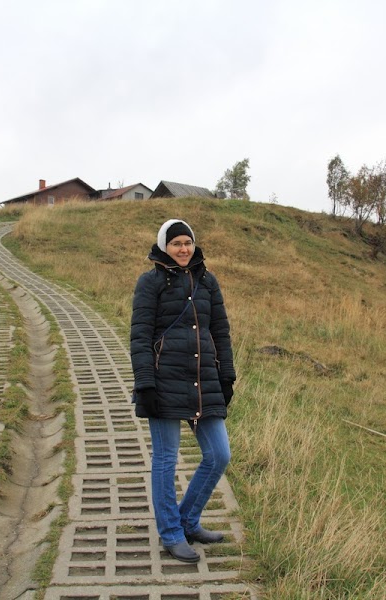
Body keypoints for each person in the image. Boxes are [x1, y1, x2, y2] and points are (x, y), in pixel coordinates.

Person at [130, 219, 237, 563]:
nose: (183, 249)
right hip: (163, 380)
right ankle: (171, 533)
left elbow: (220, 331)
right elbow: (140, 336)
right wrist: (145, 382)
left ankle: (188, 520)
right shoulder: (150, 283)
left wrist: (227, 376)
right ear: (164, 246)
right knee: (166, 459)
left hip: (203, 381)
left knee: (219, 454)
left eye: (187, 243)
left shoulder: (208, 281)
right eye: (176, 243)